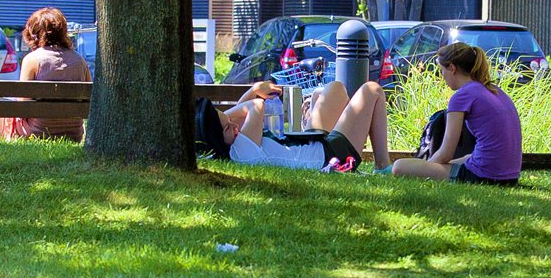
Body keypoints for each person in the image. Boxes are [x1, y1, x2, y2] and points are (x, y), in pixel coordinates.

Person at [391, 42, 520, 185]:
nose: (442, 77)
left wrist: (428, 168)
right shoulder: (494, 90)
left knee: (399, 167)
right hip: (510, 176)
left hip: (485, 176)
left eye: (442, 71)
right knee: (466, 158)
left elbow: (445, 153)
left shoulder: (462, 96)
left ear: (452, 68)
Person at [210, 81, 364, 171]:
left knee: (335, 88)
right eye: (227, 127)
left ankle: (313, 110)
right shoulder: (241, 152)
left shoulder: (236, 142)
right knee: (371, 90)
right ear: (216, 140)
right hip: (328, 155)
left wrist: (225, 119)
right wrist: (255, 91)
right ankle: (383, 166)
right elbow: (254, 105)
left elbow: (238, 115)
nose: (235, 127)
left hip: (311, 144)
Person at [0, 7, 91, 141]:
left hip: (37, 132)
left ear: (33, 33)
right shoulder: (80, 60)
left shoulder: (32, 59)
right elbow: (89, 97)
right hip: (73, 133)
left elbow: (23, 104)